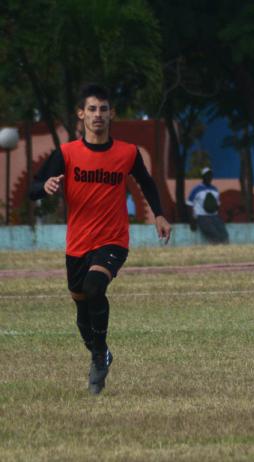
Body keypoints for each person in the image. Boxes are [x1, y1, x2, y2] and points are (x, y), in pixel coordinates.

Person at [29, 84, 171, 395]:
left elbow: (146, 182)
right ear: (80, 114)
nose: (98, 115)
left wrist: (158, 214)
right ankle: (99, 353)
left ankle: (99, 354)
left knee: (95, 286)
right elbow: (32, 187)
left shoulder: (127, 153)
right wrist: (47, 187)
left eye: (103, 110)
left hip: (113, 239)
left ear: (111, 115)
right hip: (77, 243)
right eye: (92, 109)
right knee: (81, 306)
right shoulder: (66, 154)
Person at [187, 167, 229, 244]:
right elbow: (189, 204)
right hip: (202, 217)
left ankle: (227, 252)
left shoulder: (214, 189)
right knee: (214, 235)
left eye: (210, 175)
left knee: (224, 234)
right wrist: (192, 219)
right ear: (203, 177)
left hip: (214, 216)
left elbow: (218, 204)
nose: (209, 177)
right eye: (207, 175)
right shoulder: (196, 189)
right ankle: (217, 252)